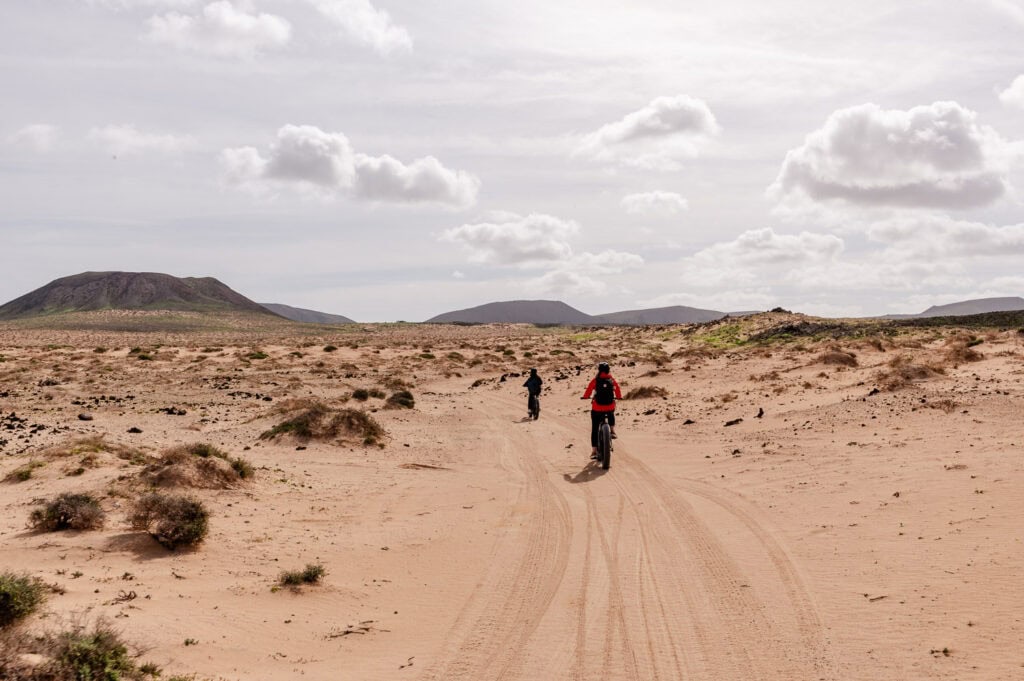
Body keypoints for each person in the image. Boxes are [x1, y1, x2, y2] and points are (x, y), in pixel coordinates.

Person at [581, 361, 621, 460]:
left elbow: (589, 390)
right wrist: (619, 397)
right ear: (608, 370)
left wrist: (585, 397)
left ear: (599, 370)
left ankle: (594, 451)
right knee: (611, 412)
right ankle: (612, 431)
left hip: (597, 408)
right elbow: (617, 389)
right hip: (609, 406)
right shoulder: (611, 379)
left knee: (595, 428)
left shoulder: (595, 380)